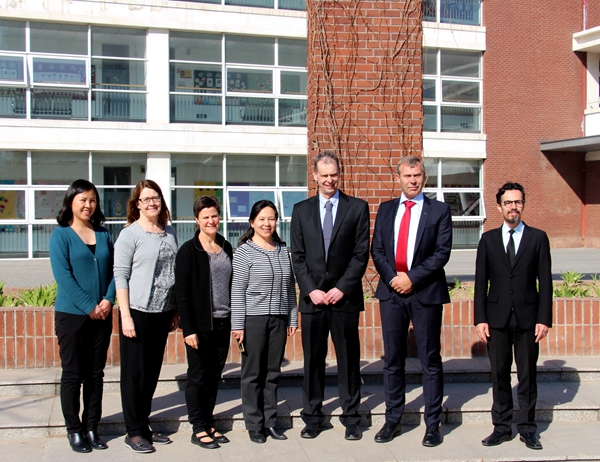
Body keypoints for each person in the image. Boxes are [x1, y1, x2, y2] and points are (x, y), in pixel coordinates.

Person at [371, 155, 452, 447]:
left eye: (417, 175)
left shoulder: (439, 210)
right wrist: (394, 278)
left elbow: (442, 253)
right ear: (399, 178)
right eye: (407, 176)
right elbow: (377, 249)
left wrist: (411, 279)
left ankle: (432, 425)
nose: (413, 180)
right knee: (393, 360)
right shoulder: (386, 209)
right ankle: (393, 420)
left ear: (424, 178)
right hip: (391, 293)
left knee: (430, 360)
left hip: (425, 293)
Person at [290, 150, 370, 441]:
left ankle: (351, 418)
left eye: (333, 174)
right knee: (313, 361)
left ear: (340, 174)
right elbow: (297, 256)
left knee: (348, 360)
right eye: (324, 175)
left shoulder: (357, 208)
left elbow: (360, 254)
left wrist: (341, 287)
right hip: (313, 300)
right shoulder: (301, 210)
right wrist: (311, 289)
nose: (329, 180)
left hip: (344, 298)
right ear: (315, 176)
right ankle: (313, 417)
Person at [474, 182, 552, 450]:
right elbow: (480, 282)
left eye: (517, 202)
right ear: (499, 207)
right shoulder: (488, 240)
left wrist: (544, 319)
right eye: (508, 203)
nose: (513, 207)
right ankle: (502, 427)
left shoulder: (538, 238)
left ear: (523, 205)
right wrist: (480, 318)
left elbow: (546, 283)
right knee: (499, 374)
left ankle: (528, 428)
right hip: (496, 319)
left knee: (527, 375)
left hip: (528, 319)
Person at [49, 179, 115, 453]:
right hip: (72, 315)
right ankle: (74, 430)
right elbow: (63, 277)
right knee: (73, 374)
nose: (88, 205)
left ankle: (91, 426)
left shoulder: (104, 234)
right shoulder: (61, 235)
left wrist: (108, 299)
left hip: (103, 314)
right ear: (71, 202)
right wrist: (90, 306)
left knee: (95, 374)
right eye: (83, 200)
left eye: (92, 200)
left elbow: (115, 271)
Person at [114, 179, 179, 454]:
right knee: (134, 374)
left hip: (162, 313)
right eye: (146, 199)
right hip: (138, 312)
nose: (152, 203)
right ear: (137, 204)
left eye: (156, 198)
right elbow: (120, 275)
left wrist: (174, 309)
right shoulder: (129, 234)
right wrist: (125, 316)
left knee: (151, 373)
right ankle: (133, 431)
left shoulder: (169, 231)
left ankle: (144, 425)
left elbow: (174, 272)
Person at [231, 200, 298, 444]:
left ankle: (270, 421)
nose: (266, 223)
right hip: (253, 320)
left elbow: (290, 286)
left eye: (271, 219)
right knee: (252, 373)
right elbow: (237, 290)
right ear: (252, 222)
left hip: (279, 319)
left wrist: (292, 317)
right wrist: (238, 325)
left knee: (272, 372)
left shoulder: (282, 250)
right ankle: (254, 423)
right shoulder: (244, 252)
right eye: (261, 219)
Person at [175, 196, 233, 450]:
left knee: (214, 376)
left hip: (223, 322)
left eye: (214, 216)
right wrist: (188, 329)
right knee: (197, 377)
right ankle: (198, 427)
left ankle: (209, 423)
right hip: (200, 326)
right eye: (205, 217)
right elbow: (182, 293)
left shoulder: (225, 245)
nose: (211, 221)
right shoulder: (188, 251)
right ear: (196, 220)